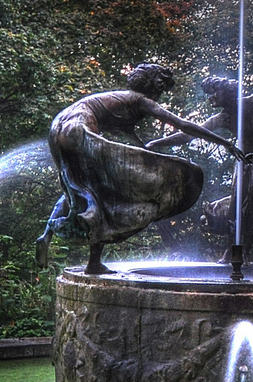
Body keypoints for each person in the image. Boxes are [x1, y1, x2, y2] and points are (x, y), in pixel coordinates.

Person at [36, 63, 242, 274]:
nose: (159, 95)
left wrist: (153, 150)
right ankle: (93, 262)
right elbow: (184, 126)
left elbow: (138, 147)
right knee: (107, 193)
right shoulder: (141, 100)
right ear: (153, 85)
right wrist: (225, 143)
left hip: (59, 126)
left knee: (78, 186)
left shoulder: (121, 101)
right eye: (160, 89)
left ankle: (47, 236)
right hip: (79, 128)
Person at [145, 56, 253, 262]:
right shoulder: (221, 118)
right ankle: (234, 252)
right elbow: (188, 135)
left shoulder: (250, 103)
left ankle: (242, 252)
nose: (210, 98)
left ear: (227, 92)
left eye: (214, 92)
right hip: (244, 162)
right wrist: (156, 143)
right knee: (237, 207)